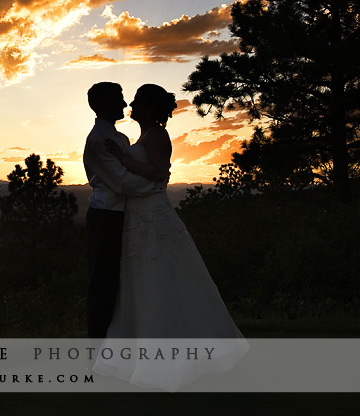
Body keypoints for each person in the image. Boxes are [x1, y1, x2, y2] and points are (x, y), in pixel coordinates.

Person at [93, 83, 248, 390]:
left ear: (149, 107)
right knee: (140, 282)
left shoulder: (158, 135)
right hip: (138, 217)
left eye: (136, 101)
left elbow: (159, 173)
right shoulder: (144, 136)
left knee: (162, 278)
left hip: (153, 215)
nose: (131, 105)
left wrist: (124, 160)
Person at [83, 82, 166, 339]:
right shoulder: (98, 140)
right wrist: (156, 184)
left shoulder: (120, 138)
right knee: (104, 282)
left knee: (122, 281)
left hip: (125, 217)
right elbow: (122, 181)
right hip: (106, 216)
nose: (124, 103)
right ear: (105, 102)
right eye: (119, 98)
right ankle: (97, 344)